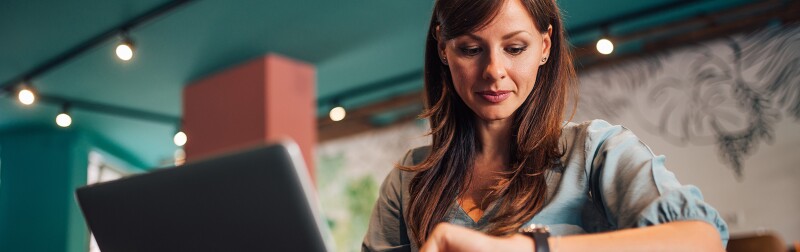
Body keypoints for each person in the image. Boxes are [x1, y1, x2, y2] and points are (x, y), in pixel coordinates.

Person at [362, 0, 729, 251]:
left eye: (515, 48)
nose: (494, 71)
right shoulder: (409, 179)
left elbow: (702, 239)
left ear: (545, 46)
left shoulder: (597, 150)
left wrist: (528, 247)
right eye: (471, 50)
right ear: (443, 49)